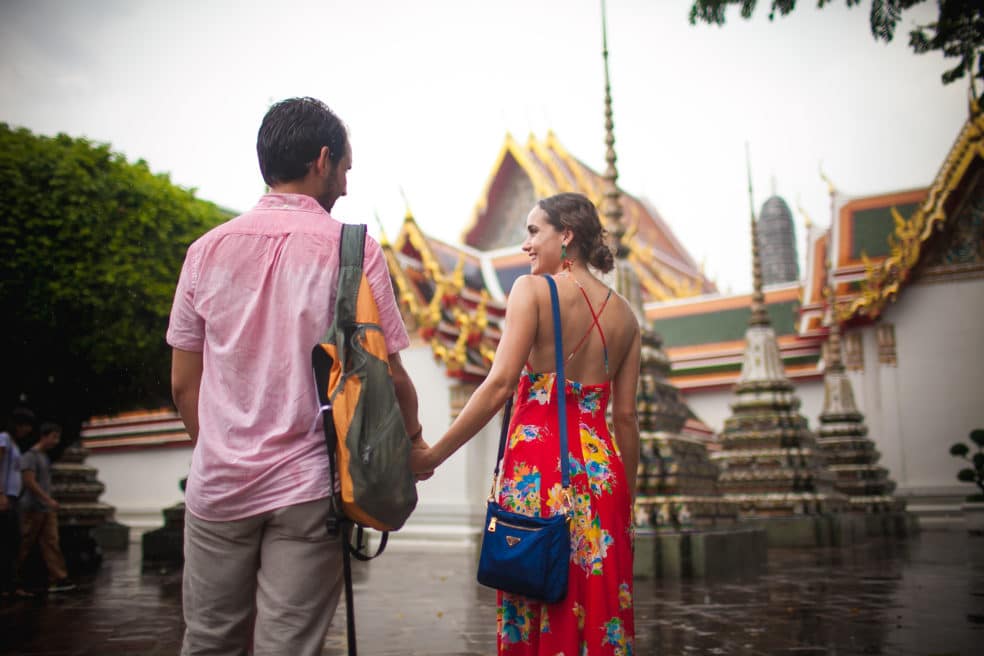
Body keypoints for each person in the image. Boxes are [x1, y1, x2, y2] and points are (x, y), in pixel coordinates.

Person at [167, 97, 427, 656]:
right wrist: (414, 446)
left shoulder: (203, 252)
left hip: (217, 488)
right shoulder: (354, 251)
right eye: (346, 169)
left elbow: (184, 384)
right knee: (288, 646)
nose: (347, 185)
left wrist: (220, 451)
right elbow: (392, 375)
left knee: (209, 640)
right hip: (310, 487)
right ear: (323, 160)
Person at [411, 192, 641, 655]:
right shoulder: (627, 317)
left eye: (534, 232)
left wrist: (433, 454)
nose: (525, 245)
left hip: (541, 476)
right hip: (604, 482)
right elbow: (627, 418)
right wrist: (625, 507)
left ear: (567, 236)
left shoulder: (532, 291)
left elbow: (498, 387)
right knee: (595, 613)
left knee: (539, 596)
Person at [17, 421, 75, 594]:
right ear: (44, 436)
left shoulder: (44, 457)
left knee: (51, 542)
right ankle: (11, 577)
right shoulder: (30, 456)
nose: (56, 441)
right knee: (24, 543)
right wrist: (47, 499)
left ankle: (59, 578)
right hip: (32, 507)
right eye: (53, 437)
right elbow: (29, 481)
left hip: (45, 508)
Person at [0, 409, 31, 598]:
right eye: (26, 425)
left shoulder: (14, 444)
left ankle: (10, 584)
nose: (28, 430)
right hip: (5, 497)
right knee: (7, 541)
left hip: (12, 497)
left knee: (13, 542)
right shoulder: (4, 438)